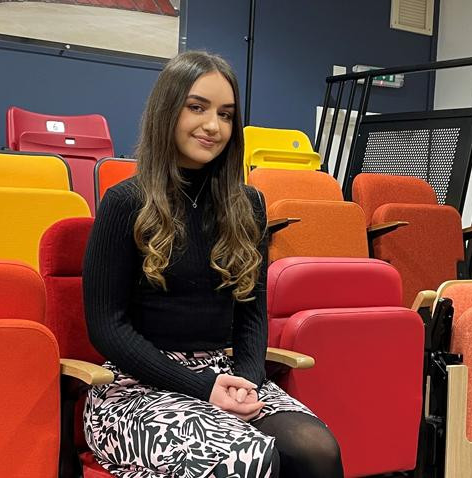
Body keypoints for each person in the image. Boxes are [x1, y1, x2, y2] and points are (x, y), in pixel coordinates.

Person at [82, 50, 343, 478]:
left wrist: (247, 382)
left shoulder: (248, 205)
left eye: (225, 114)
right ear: (167, 111)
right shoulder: (126, 202)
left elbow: (252, 314)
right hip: (136, 386)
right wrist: (203, 388)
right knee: (246, 457)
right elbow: (107, 327)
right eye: (197, 107)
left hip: (223, 374)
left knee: (316, 450)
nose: (213, 126)